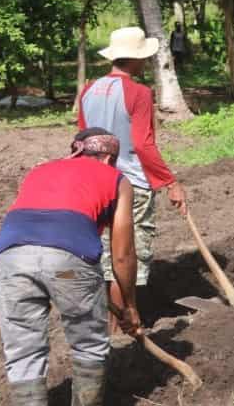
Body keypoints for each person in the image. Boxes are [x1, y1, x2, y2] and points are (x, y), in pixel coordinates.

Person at [0, 128, 142, 406]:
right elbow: (121, 255)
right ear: (109, 157)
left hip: (12, 256)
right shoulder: (116, 179)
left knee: (23, 351)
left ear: (75, 151)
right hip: (68, 259)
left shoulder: (40, 169)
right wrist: (129, 305)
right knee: (89, 344)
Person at [78, 26, 188, 293]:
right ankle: (126, 322)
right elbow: (142, 144)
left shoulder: (88, 91)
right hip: (131, 184)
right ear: (135, 59)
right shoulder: (138, 93)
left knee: (105, 252)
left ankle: (110, 324)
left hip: (94, 184)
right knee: (128, 254)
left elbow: (83, 140)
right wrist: (170, 182)